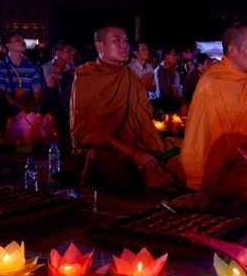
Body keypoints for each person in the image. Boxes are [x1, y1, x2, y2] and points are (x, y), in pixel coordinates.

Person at [69, 26, 182, 191]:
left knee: (182, 149)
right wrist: (134, 153)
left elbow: (143, 115)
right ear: (100, 46)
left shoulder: (128, 75)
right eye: (117, 40)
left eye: (126, 41)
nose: (125, 45)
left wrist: (156, 137)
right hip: (104, 148)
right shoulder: (87, 75)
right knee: (114, 164)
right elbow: (87, 130)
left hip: (133, 141)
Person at [181, 23, 247, 200]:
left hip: (241, 160)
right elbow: (223, 146)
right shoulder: (216, 83)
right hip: (213, 168)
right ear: (232, 50)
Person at [0, 31, 42, 113]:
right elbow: (2, 94)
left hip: (28, 108)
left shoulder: (33, 67)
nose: (23, 42)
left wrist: (35, 106)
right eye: (18, 40)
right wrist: (20, 107)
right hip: (8, 111)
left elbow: (37, 91)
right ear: (8, 45)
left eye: (23, 39)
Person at [41, 41, 76, 157]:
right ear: (57, 53)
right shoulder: (45, 68)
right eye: (67, 51)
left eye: (72, 51)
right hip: (53, 105)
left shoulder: (72, 69)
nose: (71, 54)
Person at [152, 46, 182, 115]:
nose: (177, 57)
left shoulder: (176, 73)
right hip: (161, 109)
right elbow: (161, 94)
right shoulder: (159, 71)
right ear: (166, 56)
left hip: (173, 106)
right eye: (174, 55)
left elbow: (178, 92)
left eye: (177, 55)